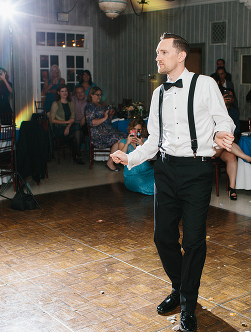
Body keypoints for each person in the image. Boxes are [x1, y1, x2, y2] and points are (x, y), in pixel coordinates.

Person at [110, 33, 235, 332]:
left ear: (181, 56)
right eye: (157, 53)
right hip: (165, 170)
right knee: (162, 237)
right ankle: (180, 288)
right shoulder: (158, 94)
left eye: (163, 52)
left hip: (196, 171)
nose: (157, 57)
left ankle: (188, 305)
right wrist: (130, 159)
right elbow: (154, 139)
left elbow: (224, 119)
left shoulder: (205, 84)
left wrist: (220, 132)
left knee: (193, 241)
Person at [85, 86, 125, 171]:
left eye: (100, 95)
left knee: (125, 136)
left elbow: (107, 120)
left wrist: (110, 115)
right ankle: (110, 162)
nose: (99, 97)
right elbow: (91, 123)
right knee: (118, 138)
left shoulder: (102, 105)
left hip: (108, 130)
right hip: (98, 132)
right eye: (97, 95)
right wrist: (104, 118)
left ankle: (118, 160)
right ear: (91, 95)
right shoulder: (90, 106)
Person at [116, 119, 154, 195]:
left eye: (138, 130)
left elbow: (149, 158)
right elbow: (120, 159)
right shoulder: (123, 142)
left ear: (142, 130)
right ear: (130, 130)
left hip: (148, 172)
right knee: (142, 184)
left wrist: (142, 144)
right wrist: (127, 143)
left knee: (161, 181)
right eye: (134, 129)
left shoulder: (146, 141)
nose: (136, 132)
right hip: (132, 175)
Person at [48, 86, 85, 165]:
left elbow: (73, 118)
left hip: (68, 127)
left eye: (66, 91)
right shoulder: (55, 103)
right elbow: (52, 120)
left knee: (78, 129)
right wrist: (66, 122)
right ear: (58, 93)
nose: (65, 93)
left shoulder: (71, 103)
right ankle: (77, 154)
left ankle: (77, 153)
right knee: (78, 129)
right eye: (62, 91)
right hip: (59, 128)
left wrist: (68, 126)